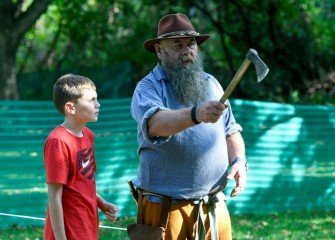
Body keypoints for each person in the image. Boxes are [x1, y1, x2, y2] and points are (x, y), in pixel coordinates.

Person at [130, 13, 248, 240]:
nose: (187, 51)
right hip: (166, 207)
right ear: (159, 50)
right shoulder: (148, 88)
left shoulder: (211, 83)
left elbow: (231, 130)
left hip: (213, 204)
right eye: (177, 45)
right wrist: (196, 114)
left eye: (191, 44)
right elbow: (155, 124)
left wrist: (239, 161)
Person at [43, 74, 118, 240]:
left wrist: (101, 203)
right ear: (71, 108)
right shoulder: (58, 141)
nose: (98, 104)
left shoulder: (88, 135)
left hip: (87, 223)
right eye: (91, 100)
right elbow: (54, 197)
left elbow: (83, 182)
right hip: (68, 230)